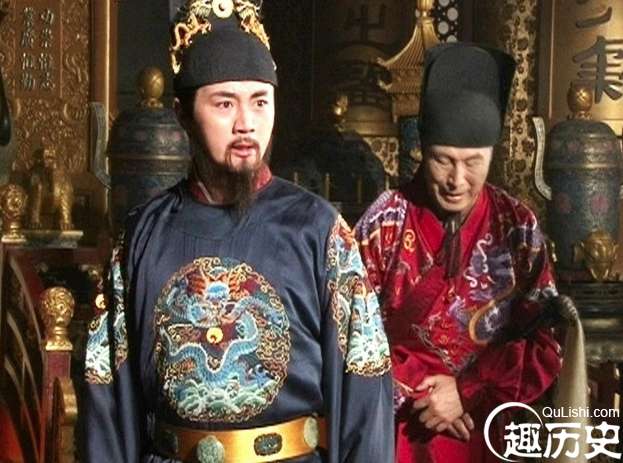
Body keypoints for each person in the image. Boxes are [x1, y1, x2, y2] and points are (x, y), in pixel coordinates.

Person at [83, 1, 394, 462]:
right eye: (224, 103)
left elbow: (365, 384)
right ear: (183, 114)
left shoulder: (318, 230)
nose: (246, 123)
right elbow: (106, 394)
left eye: (260, 102)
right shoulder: (142, 235)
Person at [355, 42, 562, 462]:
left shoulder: (516, 226)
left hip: (487, 431)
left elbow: (548, 342)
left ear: (492, 154)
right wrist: (423, 390)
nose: (456, 179)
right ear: (423, 150)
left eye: (473, 162)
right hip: (398, 434)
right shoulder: (384, 222)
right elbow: (346, 334)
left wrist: (467, 389)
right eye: (442, 160)